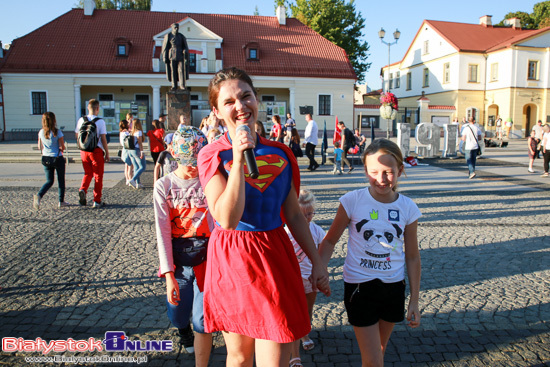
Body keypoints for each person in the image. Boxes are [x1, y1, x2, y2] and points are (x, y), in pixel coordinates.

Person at [197, 67, 330, 365]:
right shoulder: (211, 155)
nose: (240, 106)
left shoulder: (283, 153)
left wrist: (317, 262)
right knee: (241, 357)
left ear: (257, 100)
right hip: (234, 257)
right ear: (217, 112)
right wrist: (239, 155)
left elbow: (294, 215)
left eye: (246, 96)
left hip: (275, 253)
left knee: (277, 352)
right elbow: (227, 218)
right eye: (229, 102)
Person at [319, 138, 421, 367]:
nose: (381, 179)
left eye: (388, 172)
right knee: (374, 360)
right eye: (374, 172)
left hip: (394, 287)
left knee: (379, 352)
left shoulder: (408, 208)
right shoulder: (351, 200)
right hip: (359, 287)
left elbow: (412, 256)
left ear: (400, 170)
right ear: (365, 171)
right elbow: (329, 241)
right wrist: (320, 270)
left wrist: (414, 300)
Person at [153, 125, 213, 364]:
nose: (195, 167)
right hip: (178, 262)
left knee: (201, 319)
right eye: (190, 162)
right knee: (177, 312)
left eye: (198, 161)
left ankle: (199, 337)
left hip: (207, 258)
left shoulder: (210, 181)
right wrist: (168, 275)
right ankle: (182, 329)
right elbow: (162, 232)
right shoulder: (164, 186)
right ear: (176, 157)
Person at [287, 190, 326, 367]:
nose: (308, 218)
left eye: (310, 214)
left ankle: (305, 333)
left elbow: (322, 255)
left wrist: (320, 274)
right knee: (294, 313)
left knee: (307, 310)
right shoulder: (286, 231)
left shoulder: (317, 231)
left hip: (310, 277)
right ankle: (295, 354)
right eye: (303, 215)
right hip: (292, 279)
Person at [75, 99, 109, 208]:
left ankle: (83, 189)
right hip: (96, 151)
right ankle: (96, 200)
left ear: (88, 108)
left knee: (87, 173)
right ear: (97, 108)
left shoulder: (81, 120)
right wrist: (107, 152)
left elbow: (77, 135)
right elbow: (103, 138)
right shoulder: (100, 121)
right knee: (98, 176)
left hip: (84, 151)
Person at [34, 112, 68, 209]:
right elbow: (62, 147)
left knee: (49, 181)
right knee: (61, 180)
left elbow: (39, 146)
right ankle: (61, 201)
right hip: (57, 158)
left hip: (46, 158)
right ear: (54, 121)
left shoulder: (41, 132)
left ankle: (39, 195)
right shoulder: (57, 132)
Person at [162, 23, 190, 90]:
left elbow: (185, 47)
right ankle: (174, 85)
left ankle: (182, 85)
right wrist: (164, 57)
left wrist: (185, 51)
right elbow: (165, 47)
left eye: (177, 27)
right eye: (175, 27)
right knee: (173, 71)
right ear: (172, 28)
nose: (176, 29)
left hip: (180, 55)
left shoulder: (181, 36)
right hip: (172, 55)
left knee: (181, 70)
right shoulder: (168, 36)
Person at [128, 118, 146, 189]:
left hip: (131, 151)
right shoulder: (139, 132)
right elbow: (140, 143)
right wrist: (142, 152)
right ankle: (133, 179)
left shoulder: (132, 132)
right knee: (142, 167)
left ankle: (138, 183)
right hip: (137, 150)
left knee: (136, 167)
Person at [119, 120, 134, 186]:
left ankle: (127, 179)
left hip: (124, 149)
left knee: (127, 166)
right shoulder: (126, 133)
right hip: (128, 149)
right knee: (130, 166)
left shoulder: (121, 132)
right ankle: (130, 179)